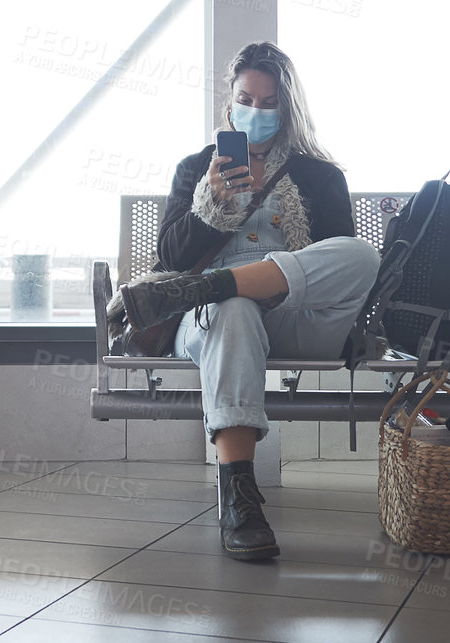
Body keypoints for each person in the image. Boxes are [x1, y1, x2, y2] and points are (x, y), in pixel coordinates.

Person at [119, 41, 379, 561]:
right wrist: (210, 206)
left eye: (267, 102)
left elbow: (338, 264)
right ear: (229, 103)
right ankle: (238, 497)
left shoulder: (320, 176)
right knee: (234, 306)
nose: (255, 111)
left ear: (287, 108)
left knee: (363, 256)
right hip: (209, 319)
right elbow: (168, 257)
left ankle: (223, 285)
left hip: (294, 315)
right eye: (246, 99)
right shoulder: (198, 168)